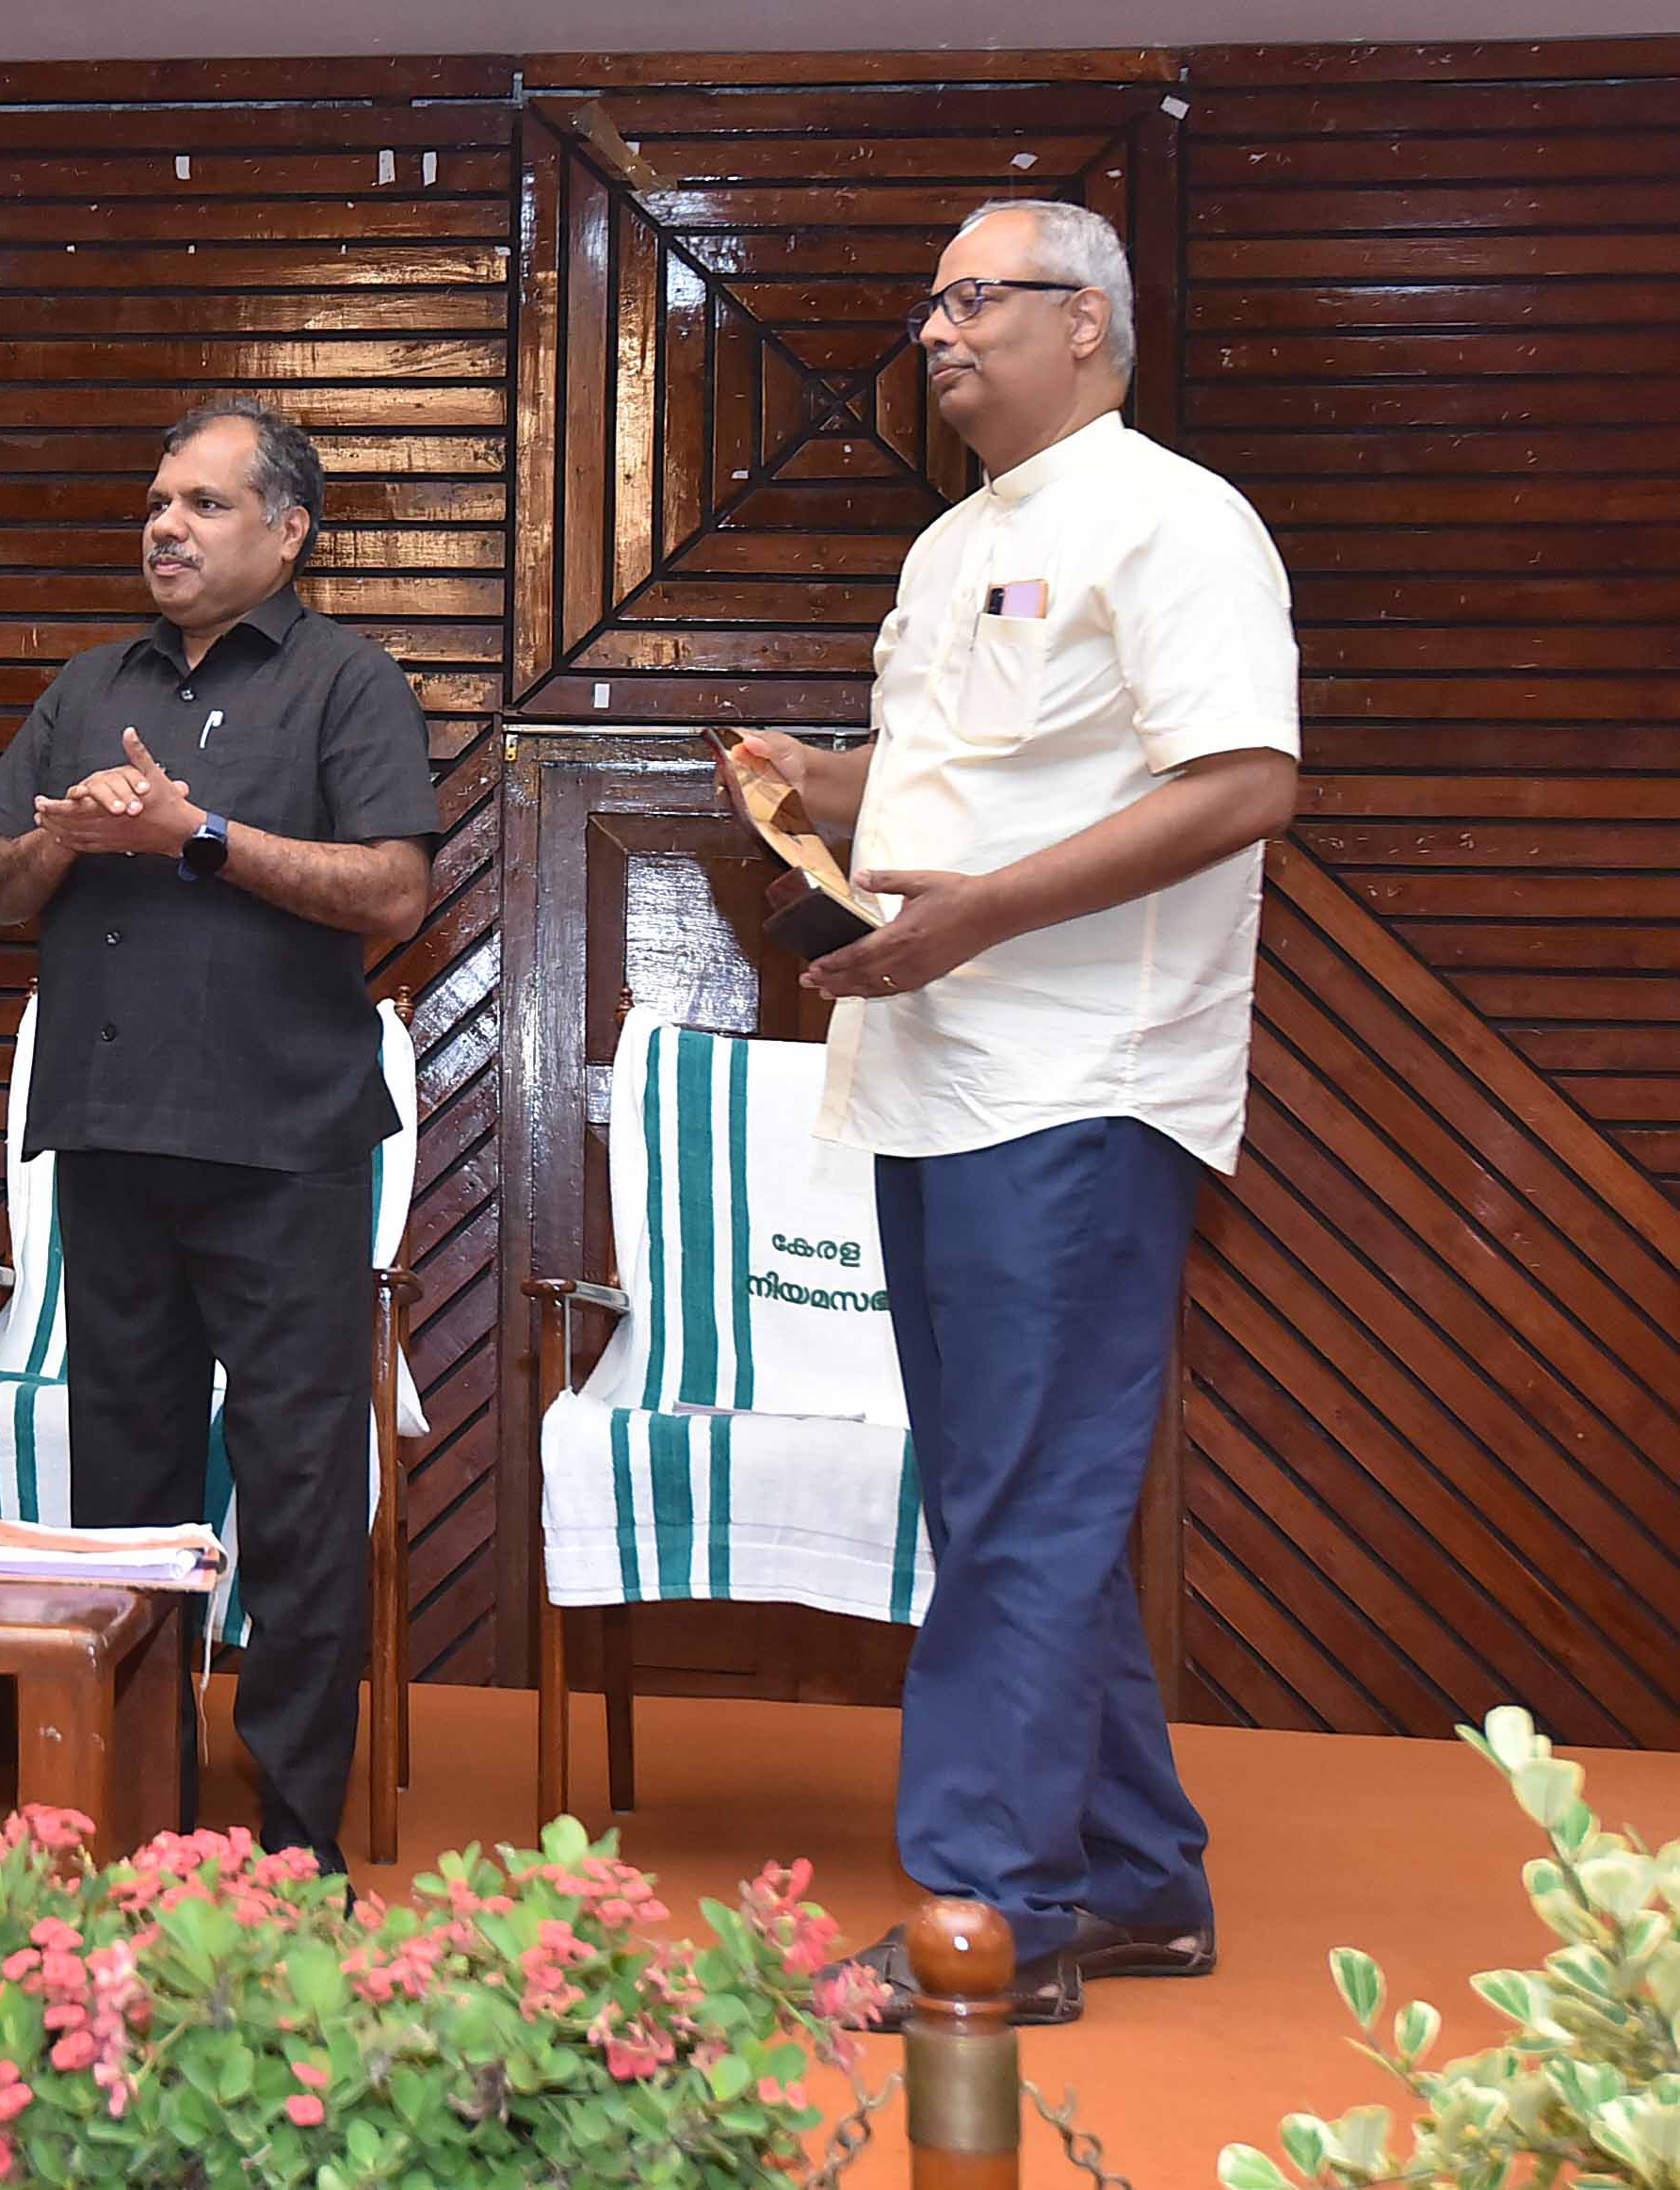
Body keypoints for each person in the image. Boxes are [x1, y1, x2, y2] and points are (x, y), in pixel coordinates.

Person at [730, 202, 1300, 2024]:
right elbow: (961, 784)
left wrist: (978, 914)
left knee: (1027, 1502)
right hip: (932, 1077)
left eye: (978, 297)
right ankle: (1131, 1878)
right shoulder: (944, 543)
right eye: (931, 300)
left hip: (1078, 1083)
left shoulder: (1175, 518)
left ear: (1089, 324)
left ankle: (996, 1912)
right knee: (1008, 1497)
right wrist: (826, 779)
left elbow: (1243, 781)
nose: (937, 328)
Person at [0, 397, 436, 1873]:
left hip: (285, 1148)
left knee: (298, 1496)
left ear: (287, 533)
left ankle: (295, 1840)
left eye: (202, 504)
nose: (165, 525)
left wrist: (197, 836)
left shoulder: (348, 681)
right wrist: (64, 835)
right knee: (124, 1504)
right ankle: (142, 1815)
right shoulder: (88, 683)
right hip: (109, 1141)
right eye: (157, 502)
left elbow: (393, 891)